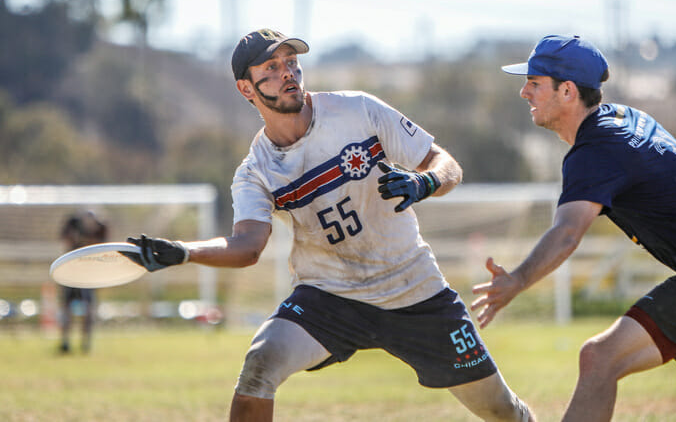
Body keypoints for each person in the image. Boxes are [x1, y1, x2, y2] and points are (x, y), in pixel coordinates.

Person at [125, 28, 533, 422]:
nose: (286, 72)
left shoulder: (357, 109)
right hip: (331, 296)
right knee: (260, 364)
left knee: (501, 411)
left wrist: (423, 181)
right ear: (246, 89)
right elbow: (248, 246)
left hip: (415, 289)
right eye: (269, 68)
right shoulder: (255, 172)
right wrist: (184, 251)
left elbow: (445, 164)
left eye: (290, 61)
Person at [470, 34, 676, 422]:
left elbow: (567, 233)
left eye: (535, 83)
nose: (524, 92)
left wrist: (518, 280)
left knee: (599, 358)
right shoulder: (621, 117)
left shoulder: (595, 152)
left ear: (568, 91)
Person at [58, 210, 108, 354]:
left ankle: (86, 342)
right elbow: (67, 241)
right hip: (71, 271)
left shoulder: (101, 227)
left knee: (89, 308)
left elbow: (100, 246)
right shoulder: (72, 224)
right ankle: (65, 341)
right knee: (66, 307)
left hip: (88, 273)